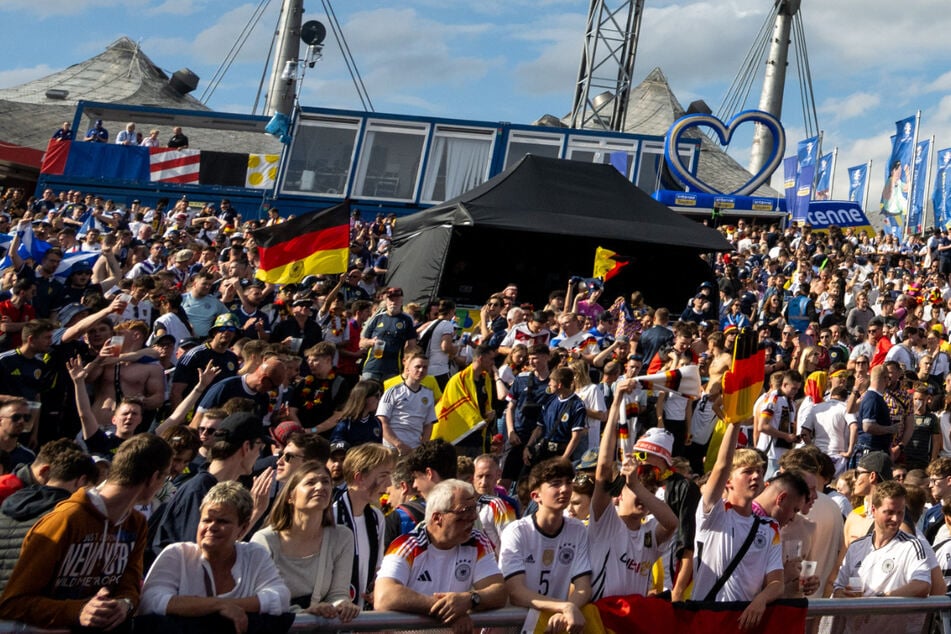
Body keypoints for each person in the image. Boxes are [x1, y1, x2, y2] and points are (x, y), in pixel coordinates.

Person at [0, 434, 173, 631]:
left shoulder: (136, 523)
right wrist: (78, 610)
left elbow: (130, 586)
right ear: (154, 478)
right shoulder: (66, 519)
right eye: (164, 477)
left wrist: (124, 604)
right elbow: (12, 603)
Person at [138, 482, 291, 631]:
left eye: (222, 521)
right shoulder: (177, 554)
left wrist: (226, 605)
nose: (212, 527)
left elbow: (279, 598)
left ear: (242, 528)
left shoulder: (254, 555)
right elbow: (151, 600)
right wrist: (219, 606)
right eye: (206, 520)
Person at [375, 479, 507, 631]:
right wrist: (447, 609)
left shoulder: (477, 541)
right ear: (437, 518)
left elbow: (499, 591)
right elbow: (384, 596)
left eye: (474, 509)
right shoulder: (406, 545)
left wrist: (469, 600)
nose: (473, 517)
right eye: (465, 511)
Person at [692, 422, 783, 629]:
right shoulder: (713, 513)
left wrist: (761, 600)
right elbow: (721, 466)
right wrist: (735, 422)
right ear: (728, 482)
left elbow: (777, 583)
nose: (757, 476)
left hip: (743, 624)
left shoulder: (770, 528)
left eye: (760, 471)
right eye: (748, 471)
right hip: (707, 620)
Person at [590, 404, 679, 599]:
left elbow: (672, 523)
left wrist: (636, 486)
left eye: (650, 491)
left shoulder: (650, 532)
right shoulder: (604, 522)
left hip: (633, 621)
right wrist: (616, 402)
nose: (644, 496)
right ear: (618, 495)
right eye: (635, 489)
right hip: (601, 619)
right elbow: (603, 469)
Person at [251, 460, 359, 620]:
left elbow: (338, 593)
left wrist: (343, 605)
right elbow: (260, 598)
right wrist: (304, 614)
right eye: (310, 482)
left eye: (325, 482)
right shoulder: (265, 540)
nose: (320, 487)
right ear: (290, 497)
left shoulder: (342, 537)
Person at [499, 457, 592, 633]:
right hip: (517, 627)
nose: (565, 489)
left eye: (567, 482)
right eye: (556, 484)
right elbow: (516, 592)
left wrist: (569, 608)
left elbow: (583, 586)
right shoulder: (516, 531)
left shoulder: (578, 529)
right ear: (536, 496)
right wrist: (563, 607)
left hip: (556, 625)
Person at [833, 481, 930, 630]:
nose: (896, 519)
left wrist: (881, 600)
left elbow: (922, 585)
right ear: (873, 510)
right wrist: (845, 597)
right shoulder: (857, 546)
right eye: (889, 512)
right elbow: (838, 588)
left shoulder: (912, 546)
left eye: (900, 512)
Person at [0, 446, 96, 593]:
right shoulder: (67, 516)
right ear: (81, 481)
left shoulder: (9, 501)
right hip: (25, 606)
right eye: (90, 488)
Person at [332, 442, 395, 610]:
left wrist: (376, 589)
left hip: (361, 615)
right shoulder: (332, 515)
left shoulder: (376, 518)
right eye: (383, 475)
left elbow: (378, 568)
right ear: (359, 477)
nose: (389, 483)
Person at [378, 351, 437, 455]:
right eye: (417, 367)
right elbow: (382, 421)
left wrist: (422, 447)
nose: (421, 370)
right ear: (408, 369)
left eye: (425, 367)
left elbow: (428, 425)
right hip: (393, 448)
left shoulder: (428, 394)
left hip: (414, 449)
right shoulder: (393, 391)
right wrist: (398, 444)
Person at [360, 287, 417, 381]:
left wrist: (407, 364)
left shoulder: (406, 320)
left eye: (397, 299)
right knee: (366, 394)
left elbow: (412, 346)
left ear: (402, 301)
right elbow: (361, 343)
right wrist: (371, 342)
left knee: (389, 395)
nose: (393, 302)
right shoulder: (377, 318)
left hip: (393, 369)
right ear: (386, 301)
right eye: (391, 299)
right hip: (372, 367)